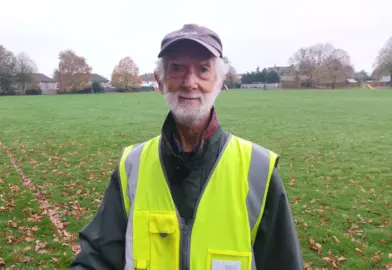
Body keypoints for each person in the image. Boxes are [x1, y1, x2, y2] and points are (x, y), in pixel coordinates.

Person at [70, 24, 303, 270]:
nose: (190, 82)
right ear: (160, 81)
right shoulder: (132, 166)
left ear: (219, 81)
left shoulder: (258, 171)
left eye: (203, 69)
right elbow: (97, 258)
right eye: (177, 69)